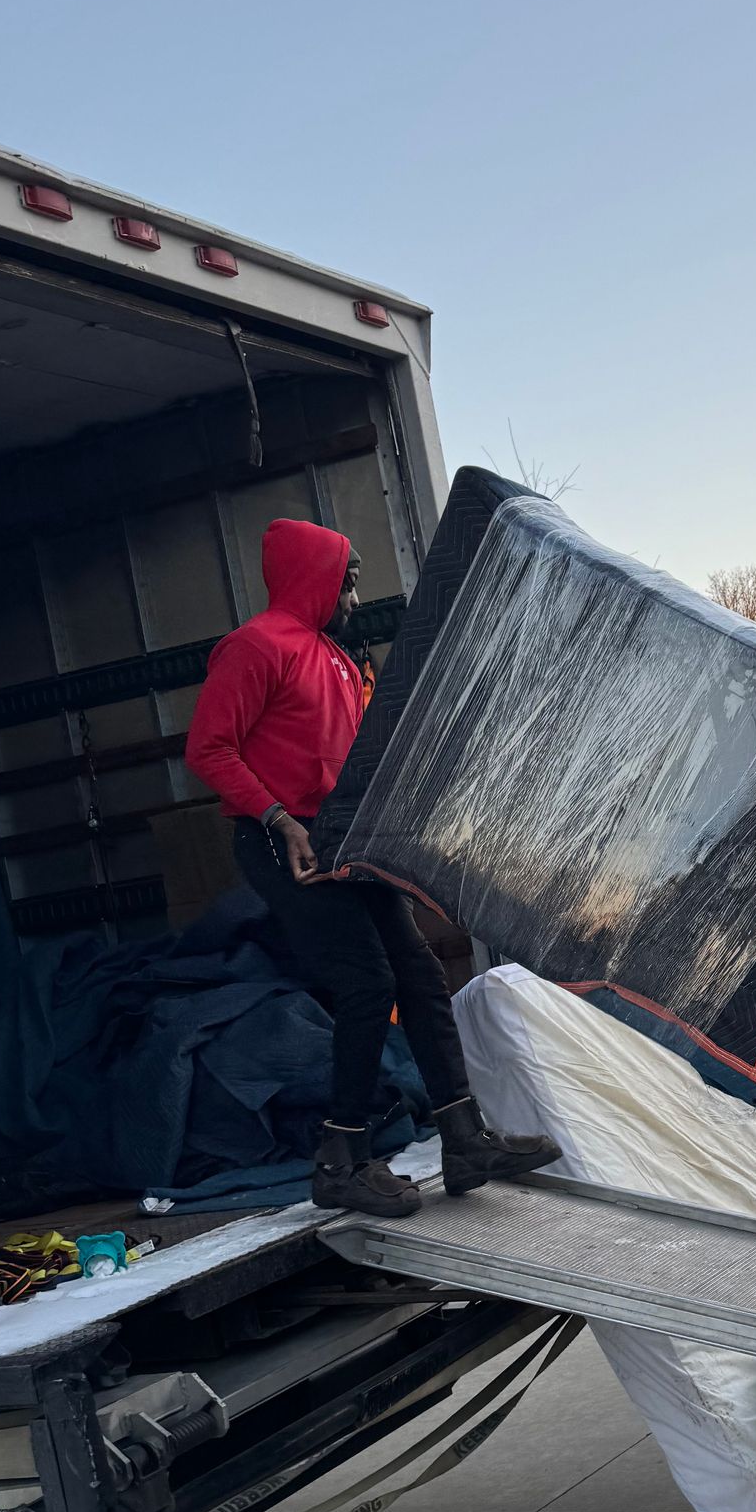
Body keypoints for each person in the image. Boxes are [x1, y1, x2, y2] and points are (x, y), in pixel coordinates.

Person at [186, 516, 557, 1218]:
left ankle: (464, 1139)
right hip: (281, 842)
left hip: (346, 846)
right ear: (312, 576)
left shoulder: (336, 659)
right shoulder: (255, 648)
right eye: (347, 584)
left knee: (418, 974)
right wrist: (278, 819)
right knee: (367, 983)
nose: (354, 600)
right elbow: (209, 750)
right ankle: (341, 1160)